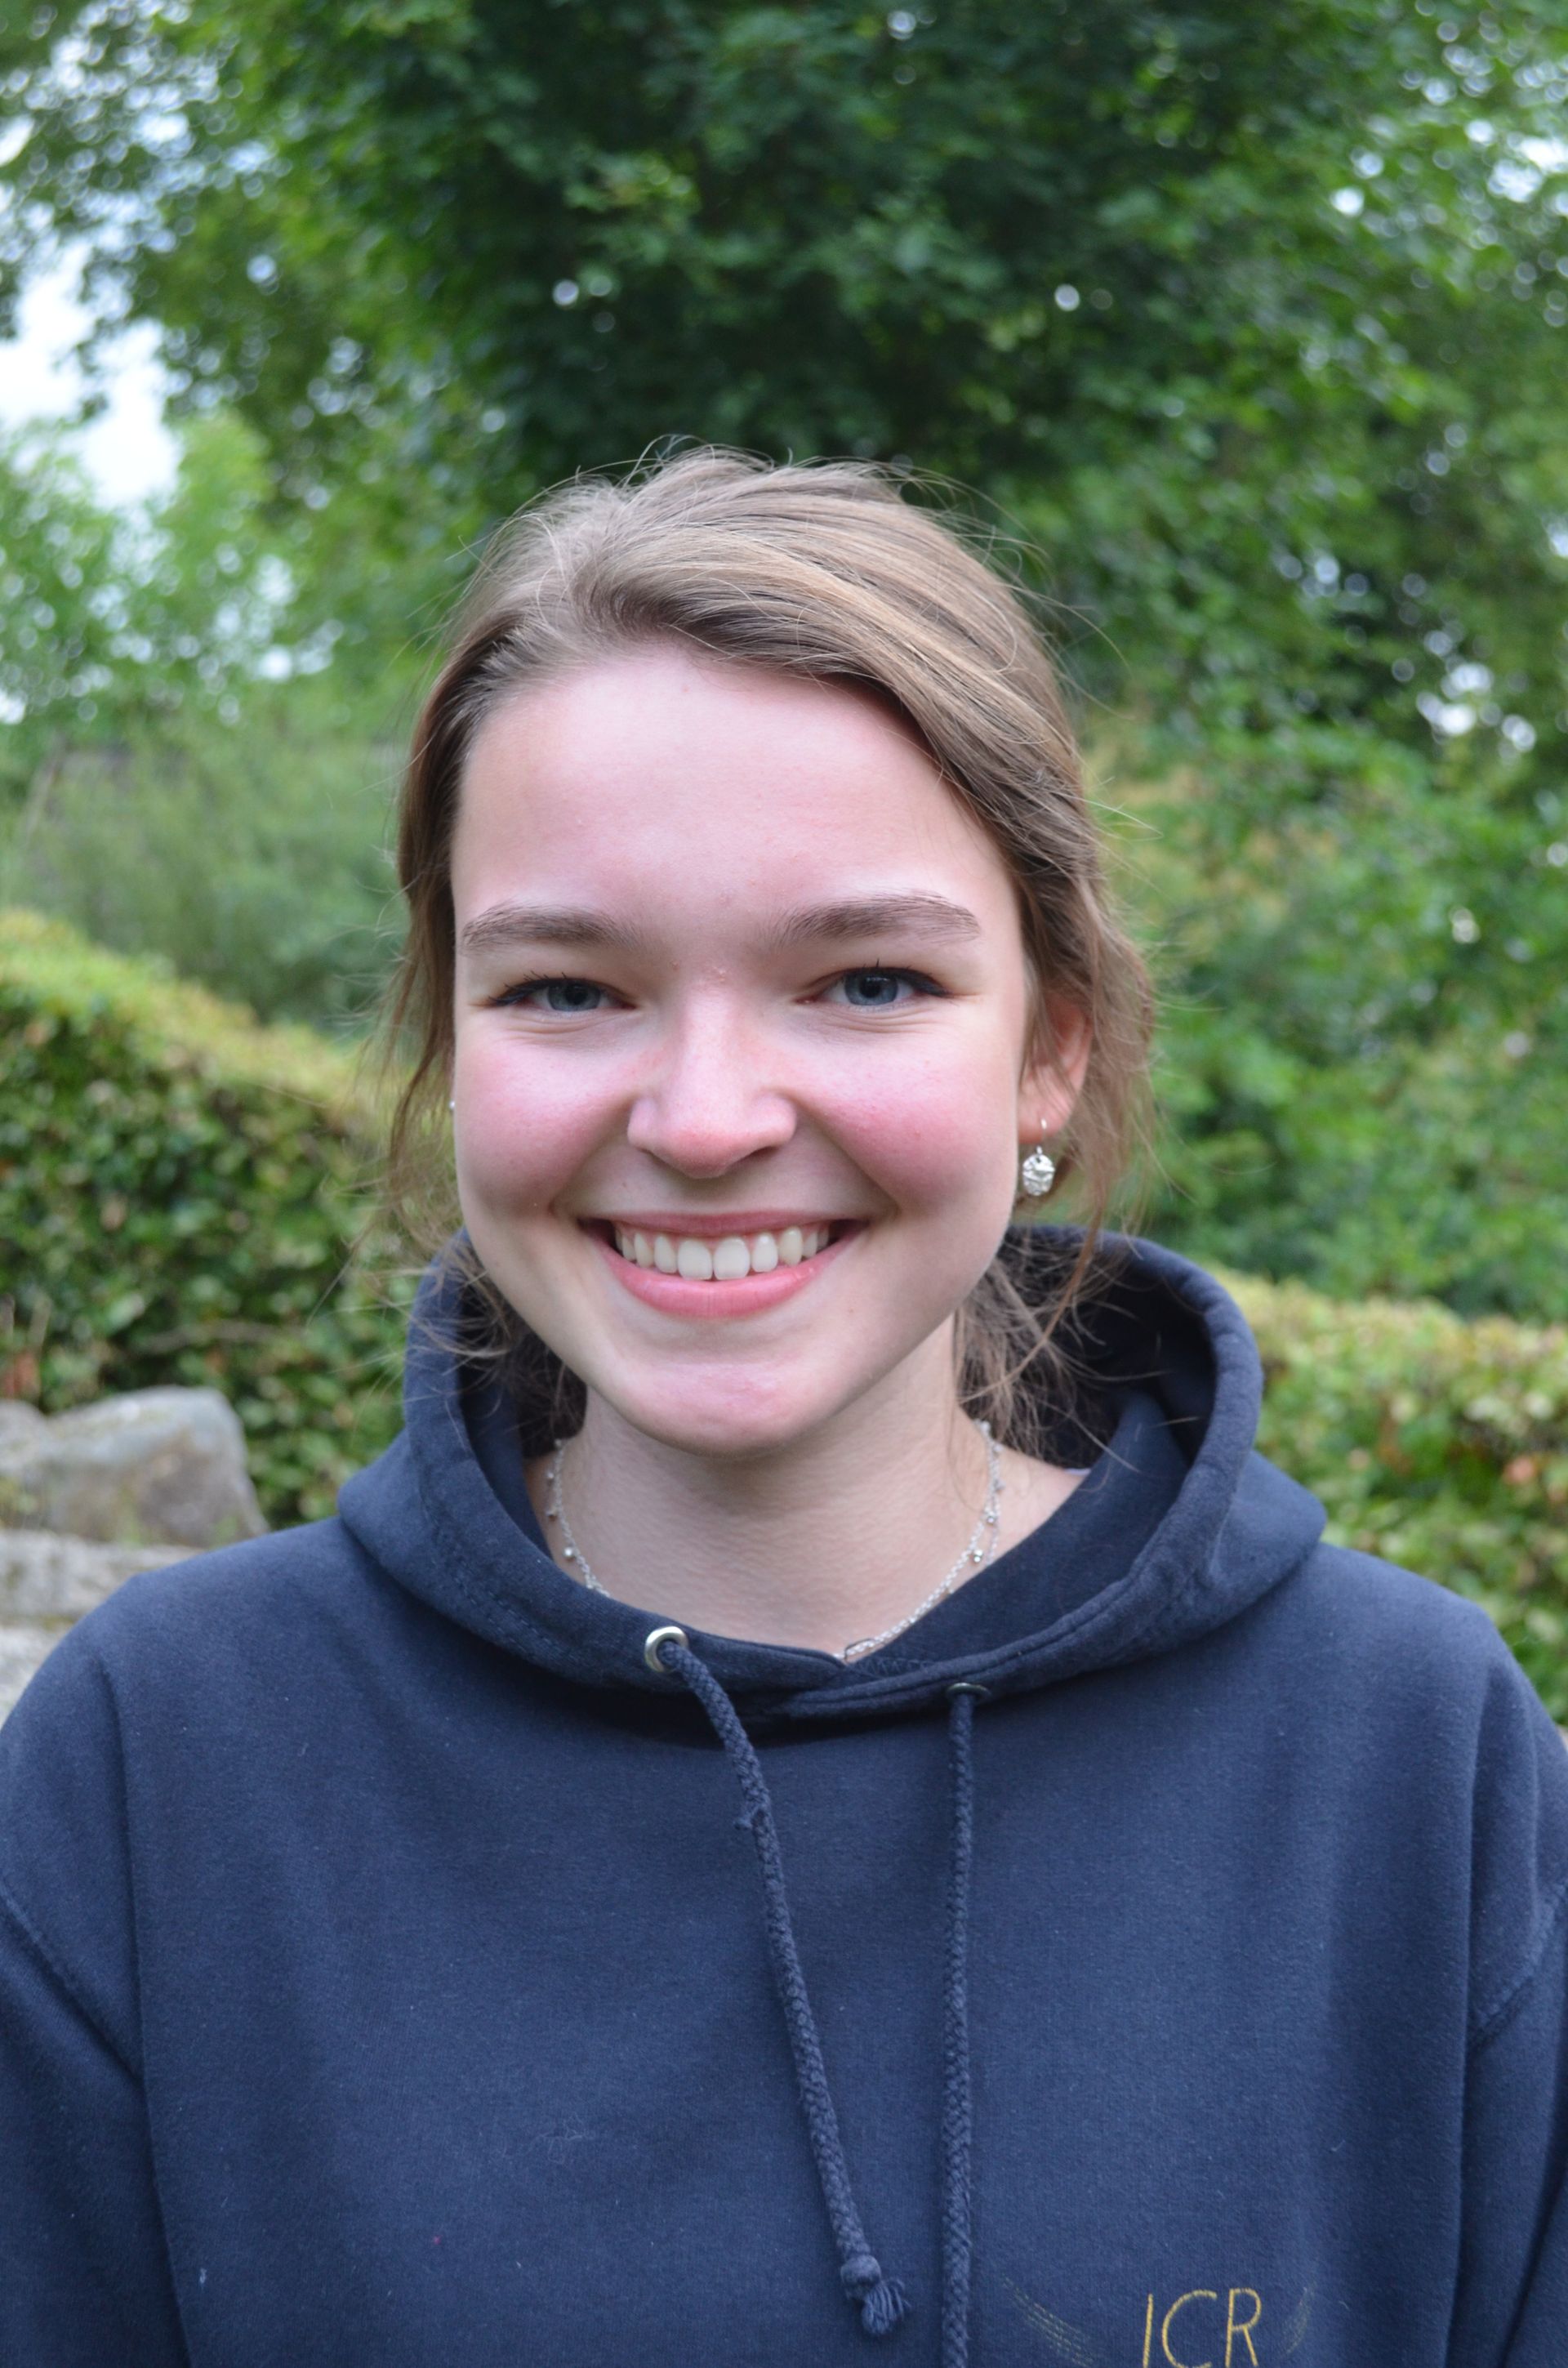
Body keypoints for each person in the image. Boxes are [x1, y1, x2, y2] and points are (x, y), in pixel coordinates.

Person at [2, 449, 1565, 2368]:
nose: (708, 1117)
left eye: (867, 980)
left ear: (1052, 1043)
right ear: (447, 1036)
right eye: (569, 989)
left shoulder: (1412, 1760)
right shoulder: (156, 1771)